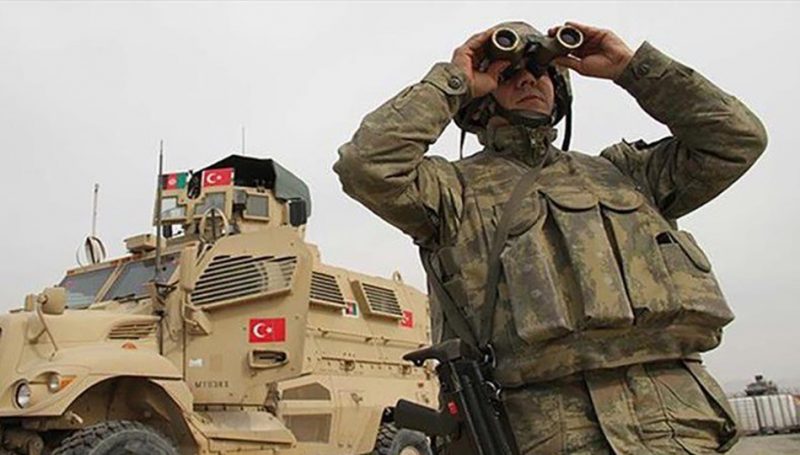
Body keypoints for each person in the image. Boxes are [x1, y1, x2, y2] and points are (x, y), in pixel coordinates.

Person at [334, 20, 767, 454]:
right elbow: (365, 166)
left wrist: (632, 68)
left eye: (540, 70)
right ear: (481, 98)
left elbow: (737, 139)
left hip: (674, 426)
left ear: (559, 88)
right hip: (539, 433)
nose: (528, 80)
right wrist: (454, 81)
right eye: (508, 74)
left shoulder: (628, 174)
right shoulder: (451, 192)